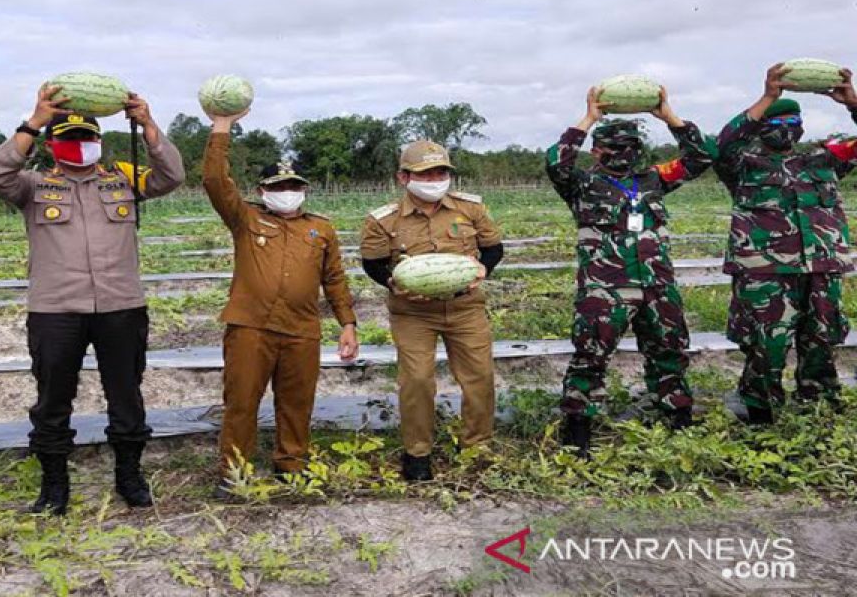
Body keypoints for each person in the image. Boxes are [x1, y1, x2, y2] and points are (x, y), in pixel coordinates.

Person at [0, 84, 185, 515]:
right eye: (70, 139)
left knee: (126, 394)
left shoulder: (123, 180)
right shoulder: (33, 185)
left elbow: (171, 177)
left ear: (99, 143)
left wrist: (148, 126)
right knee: (53, 398)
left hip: (121, 305)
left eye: (88, 138)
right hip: (56, 310)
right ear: (54, 146)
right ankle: (54, 485)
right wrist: (32, 123)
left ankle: (129, 476)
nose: (80, 146)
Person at [545, 86, 714, 456]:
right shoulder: (583, 184)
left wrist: (669, 117)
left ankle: (676, 421)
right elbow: (556, 162)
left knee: (669, 353)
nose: (625, 154)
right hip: (605, 290)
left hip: (657, 286)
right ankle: (578, 433)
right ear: (597, 150)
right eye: (615, 148)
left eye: (632, 147)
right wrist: (589, 119)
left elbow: (701, 157)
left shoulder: (653, 180)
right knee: (590, 358)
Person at [202, 107, 359, 490]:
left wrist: (348, 324)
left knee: (296, 403)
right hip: (250, 327)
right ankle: (235, 473)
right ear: (261, 191)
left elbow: (334, 278)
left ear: (303, 190)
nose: (285, 194)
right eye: (275, 187)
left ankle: (291, 465)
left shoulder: (320, 229)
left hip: (302, 329)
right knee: (241, 402)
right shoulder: (246, 219)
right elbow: (213, 180)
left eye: (292, 186)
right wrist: (222, 127)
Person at [715, 63, 857, 423]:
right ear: (762, 129)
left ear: (802, 127)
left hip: (821, 267)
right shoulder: (744, 164)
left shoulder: (824, 159)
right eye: (776, 125)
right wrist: (769, 96)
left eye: (792, 124)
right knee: (767, 343)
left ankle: (818, 406)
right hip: (765, 272)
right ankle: (760, 410)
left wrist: (851, 101)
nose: (785, 131)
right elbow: (723, 143)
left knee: (821, 340)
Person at [360, 140, 503, 481]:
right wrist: (393, 282)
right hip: (413, 313)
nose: (435, 179)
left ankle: (476, 447)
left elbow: (493, 249)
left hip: (465, 308)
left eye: (441, 172)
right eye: (425, 173)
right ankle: (417, 454)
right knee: (418, 381)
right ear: (403, 177)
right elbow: (373, 264)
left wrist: (484, 270)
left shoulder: (470, 210)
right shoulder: (384, 220)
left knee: (479, 378)